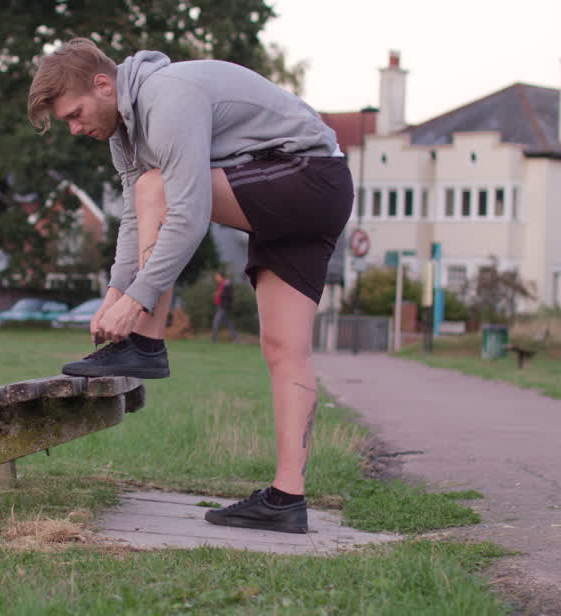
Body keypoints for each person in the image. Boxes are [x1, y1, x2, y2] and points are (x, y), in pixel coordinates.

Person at [27, 38, 353, 535]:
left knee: (158, 188)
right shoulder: (125, 131)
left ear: (103, 84)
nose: (75, 128)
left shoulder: (166, 97)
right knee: (285, 349)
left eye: (75, 113)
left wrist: (136, 306)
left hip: (307, 177)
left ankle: (147, 343)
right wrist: (115, 292)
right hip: (296, 189)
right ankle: (287, 499)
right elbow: (136, 218)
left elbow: (188, 213)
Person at [211, 271, 238, 343]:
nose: (216, 278)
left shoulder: (226, 284)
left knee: (215, 321)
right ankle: (236, 338)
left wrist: (219, 294)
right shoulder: (221, 284)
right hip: (220, 305)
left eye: (217, 276)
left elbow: (229, 295)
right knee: (228, 323)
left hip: (223, 306)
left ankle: (213, 340)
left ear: (221, 276)